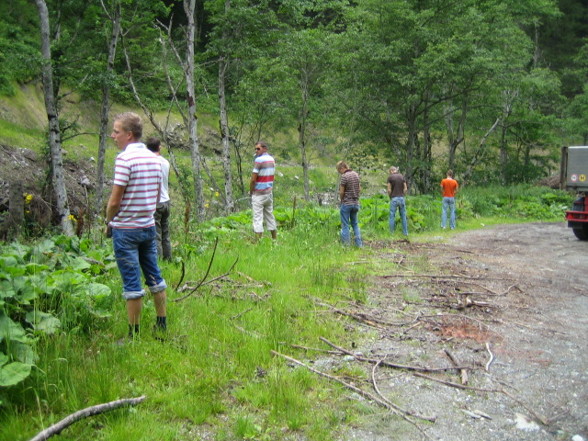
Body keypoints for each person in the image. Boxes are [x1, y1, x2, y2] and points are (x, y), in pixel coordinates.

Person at [105, 112, 168, 339]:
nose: (113, 136)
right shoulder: (155, 160)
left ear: (129, 135)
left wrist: (108, 221)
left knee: (132, 282)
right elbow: (159, 197)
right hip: (148, 226)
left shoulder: (124, 160)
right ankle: (161, 324)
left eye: (117, 131)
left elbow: (114, 200)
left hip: (126, 229)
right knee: (154, 275)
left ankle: (133, 335)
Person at [146, 137, 172, 261]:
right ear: (159, 147)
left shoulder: (149, 163)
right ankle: (168, 258)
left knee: (156, 234)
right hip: (166, 200)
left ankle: (157, 261)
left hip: (155, 202)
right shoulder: (166, 162)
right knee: (165, 233)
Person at [249, 141, 277, 240]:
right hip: (269, 193)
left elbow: (253, 179)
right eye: (255, 149)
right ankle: (274, 239)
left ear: (265, 148)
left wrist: (251, 191)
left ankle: (257, 241)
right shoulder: (272, 159)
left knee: (257, 218)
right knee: (270, 215)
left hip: (259, 194)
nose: (256, 151)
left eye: (258, 149)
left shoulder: (259, 160)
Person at [336, 161, 363, 247]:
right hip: (355, 203)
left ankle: (346, 246)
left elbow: (341, 191)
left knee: (345, 225)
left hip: (347, 204)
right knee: (355, 224)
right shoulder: (356, 174)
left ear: (342, 168)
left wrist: (341, 200)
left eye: (338, 170)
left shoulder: (344, 176)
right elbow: (359, 189)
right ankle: (359, 244)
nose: (339, 172)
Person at [387, 166, 408, 236]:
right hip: (401, 198)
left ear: (391, 171)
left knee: (392, 216)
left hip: (394, 198)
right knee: (403, 216)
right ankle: (405, 233)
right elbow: (405, 188)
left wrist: (390, 197)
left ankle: (391, 233)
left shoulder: (390, 178)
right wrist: (403, 195)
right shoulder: (402, 177)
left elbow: (389, 190)